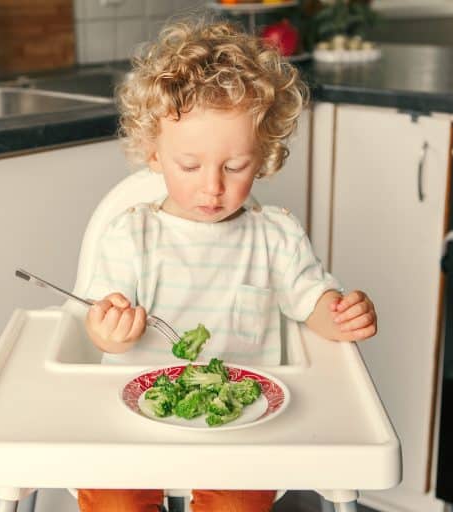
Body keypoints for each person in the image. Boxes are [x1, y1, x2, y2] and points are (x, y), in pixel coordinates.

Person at [78, 17, 377, 512]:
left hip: (242, 421)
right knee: (111, 498)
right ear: (154, 154)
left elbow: (311, 301)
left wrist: (340, 314)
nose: (212, 187)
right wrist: (111, 331)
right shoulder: (132, 236)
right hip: (136, 419)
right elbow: (99, 318)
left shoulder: (275, 237)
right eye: (190, 167)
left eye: (235, 166)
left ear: (263, 157)